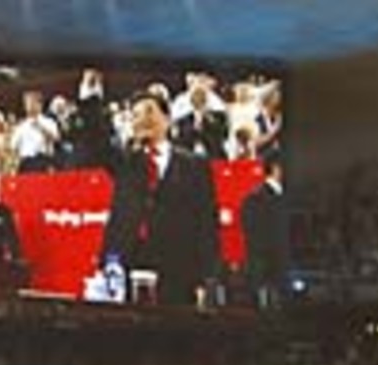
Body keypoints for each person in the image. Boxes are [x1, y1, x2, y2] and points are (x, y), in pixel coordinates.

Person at [99, 87, 219, 306]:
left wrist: (207, 279)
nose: (142, 119)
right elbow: (95, 142)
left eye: (149, 112)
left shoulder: (195, 165)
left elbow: (207, 224)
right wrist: (92, 93)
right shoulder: (125, 164)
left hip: (177, 272)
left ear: (167, 119)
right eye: (135, 115)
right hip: (129, 269)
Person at [240, 151, 288, 307]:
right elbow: (253, 233)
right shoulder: (256, 197)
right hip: (265, 267)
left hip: (278, 265)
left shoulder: (282, 195)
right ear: (276, 168)